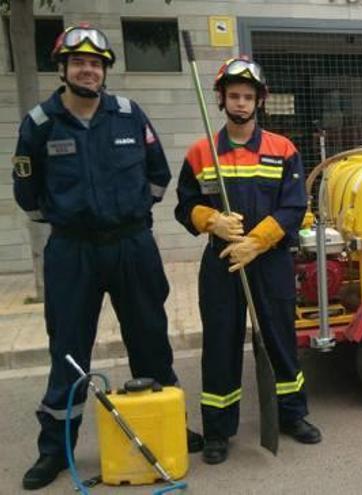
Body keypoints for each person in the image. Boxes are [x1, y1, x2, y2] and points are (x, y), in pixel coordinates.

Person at [13, 24, 202, 491]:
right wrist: (70, 221)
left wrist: (132, 213)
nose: (88, 70)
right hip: (72, 251)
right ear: (62, 69)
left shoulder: (128, 114)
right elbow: (27, 194)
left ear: (104, 71)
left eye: (95, 64)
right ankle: (54, 452)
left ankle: (167, 426)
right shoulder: (39, 123)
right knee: (69, 354)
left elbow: (158, 176)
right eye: (78, 62)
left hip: (131, 245)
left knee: (150, 340)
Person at [175, 57, 321, 465]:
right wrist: (212, 221)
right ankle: (219, 430)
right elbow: (185, 205)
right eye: (234, 96)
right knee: (220, 345)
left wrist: (257, 242)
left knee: (280, 339)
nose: (241, 103)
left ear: (259, 101)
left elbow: (294, 206)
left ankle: (293, 415)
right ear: (221, 99)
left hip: (269, 260)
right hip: (221, 261)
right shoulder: (201, 151)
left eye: (248, 96)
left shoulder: (282, 149)